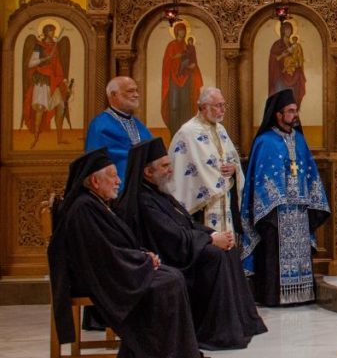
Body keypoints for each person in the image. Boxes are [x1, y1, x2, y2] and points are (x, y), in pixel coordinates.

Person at [47, 148, 202, 358]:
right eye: (112, 176)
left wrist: (143, 255)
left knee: (173, 276)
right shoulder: (83, 208)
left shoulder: (95, 202)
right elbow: (102, 254)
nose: (119, 181)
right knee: (168, 283)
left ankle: (176, 352)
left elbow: (114, 245)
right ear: (95, 181)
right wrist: (143, 261)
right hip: (97, 278)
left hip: (111, 270)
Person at [115, 138, 267, 350]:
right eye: (165, 166)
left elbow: (187, 223)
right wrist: (211, 240)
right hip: (166, 256)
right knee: (214, 256)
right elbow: (171, 237)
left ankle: (239, 324)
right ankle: (214, 331)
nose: (170, 170)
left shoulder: (161, 193)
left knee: (229, 250)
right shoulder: (143, 200)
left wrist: (215, 233)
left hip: (181, 247)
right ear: (148, 172)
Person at [241, 89, 330, 306]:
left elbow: (309, 171)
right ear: (278, 114)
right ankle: (273, 297)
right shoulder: (265, 141)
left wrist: (310, 198)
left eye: (295, 110)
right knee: (272, 252)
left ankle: (302, 293)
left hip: (299, 210)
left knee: (301, 251)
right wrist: (276, 199)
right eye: (290, 111)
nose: (295, 114)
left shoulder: (299, 139)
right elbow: (260, 178)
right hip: (274, 213)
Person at [168, 86, 244, 233]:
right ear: (203, 107)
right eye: (218, 106)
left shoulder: (221, 130)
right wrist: (208, 183)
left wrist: (234, 168)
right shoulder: (187, 132)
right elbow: (179, 170)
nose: (223, 110)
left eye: (224, 105)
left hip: (224, 201)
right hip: (201, 205)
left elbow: (233, 159)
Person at [85, 76, 153, 186]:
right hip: (117, 189)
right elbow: (95, 163)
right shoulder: (100, 125)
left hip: (143, 187)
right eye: (130, 91)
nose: (136, 95)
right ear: (113, 95)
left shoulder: (138, 124)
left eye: (136, 90)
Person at [22, 23, 71, 148]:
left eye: (54, 31)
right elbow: (30, 64)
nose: (53, 33)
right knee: (40, 109)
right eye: (50, 31)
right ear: (45, 32)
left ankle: (59, 138)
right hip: (42, 80)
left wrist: (63, 79)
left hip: (54, 80)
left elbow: (58, 64)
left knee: (60, 106)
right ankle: (36, 138)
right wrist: (44, 59)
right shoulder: (39, 46)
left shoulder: (55, 46)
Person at [162, 21, 204, 134]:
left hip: (186, 79)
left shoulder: (189, 46)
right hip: (174, 80)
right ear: (176, 32)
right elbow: (167, 61)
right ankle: (174, 132)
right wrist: (177, 57)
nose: (182, 32)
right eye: (180, 30)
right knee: (174, 105)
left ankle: (187, 132)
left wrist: (191, 65)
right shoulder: (171, 45)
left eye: (184, 30)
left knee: (186, 104)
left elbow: (193, 61)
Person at [269, 21, 307, 107]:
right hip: (280, 76)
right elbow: (274, 59)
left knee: (290, 101)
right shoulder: (277, 45)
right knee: (281, 101)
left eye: (290, 29)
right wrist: (283, 55)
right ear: (282, 30)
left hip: (292, 76)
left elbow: (298, 58)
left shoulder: (293, 45)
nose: (288, 31)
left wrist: (297, 62)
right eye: (286, 29)